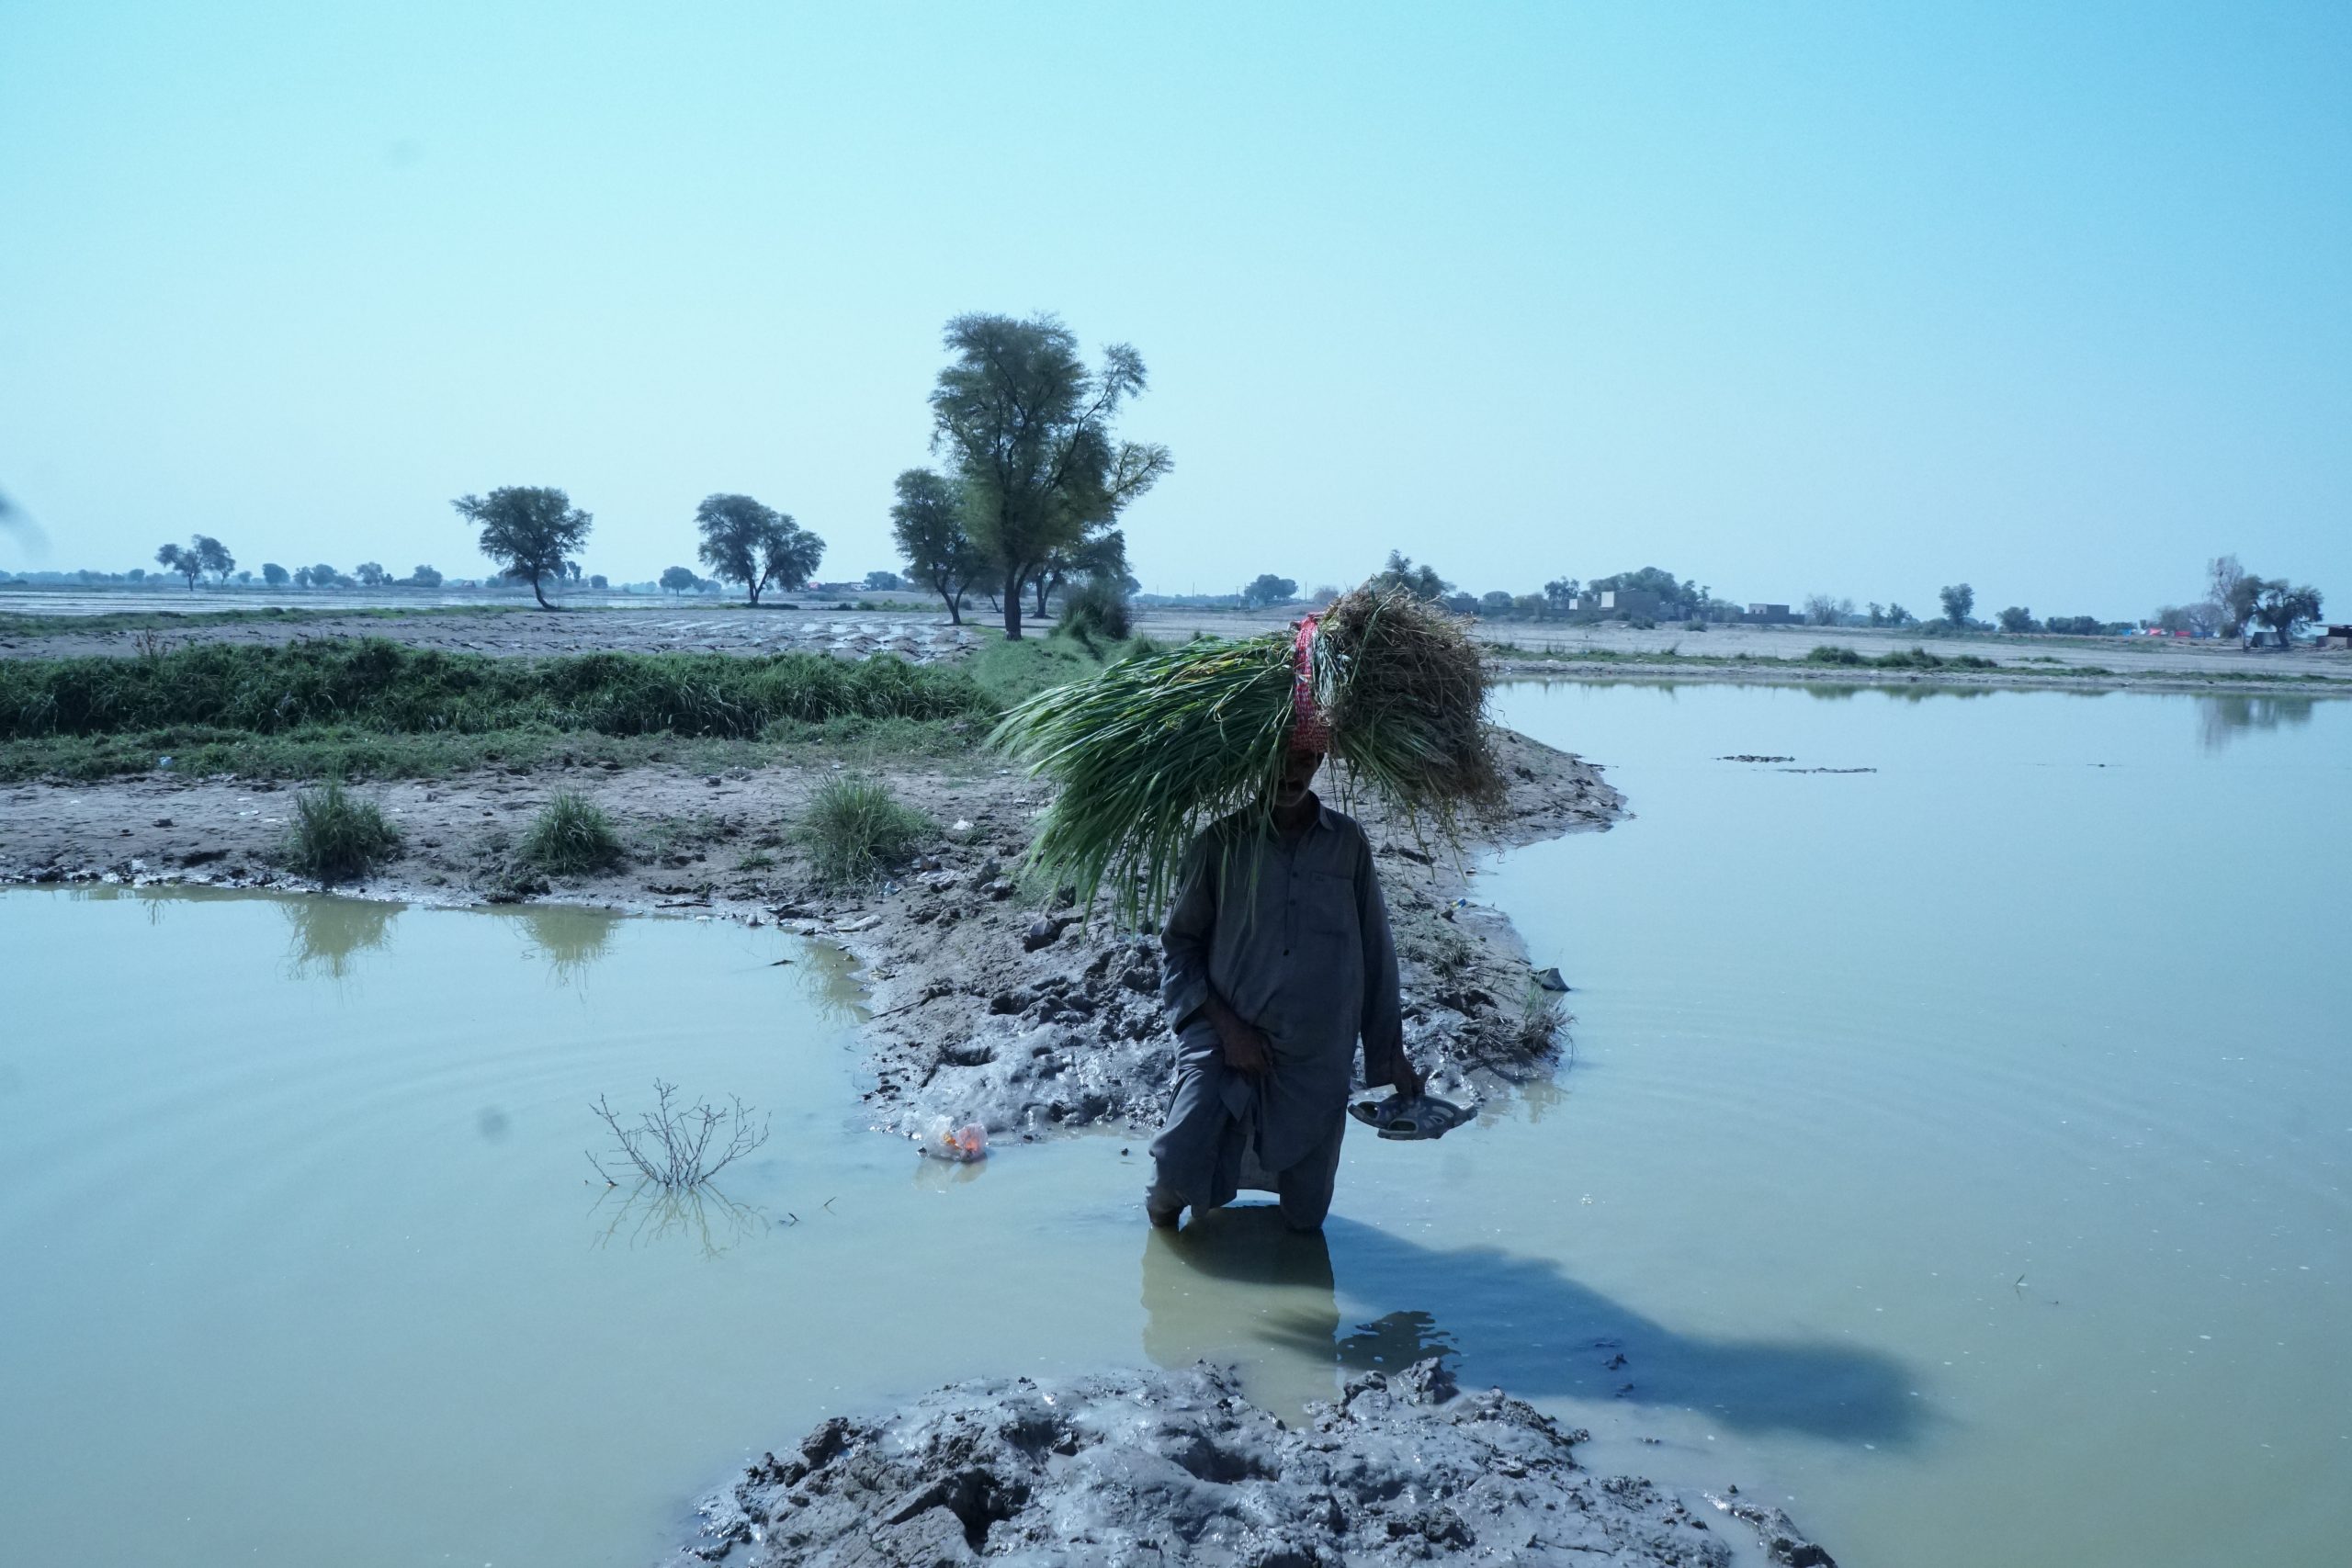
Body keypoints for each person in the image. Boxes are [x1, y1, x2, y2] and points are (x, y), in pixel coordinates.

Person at [1146, 735, 1421, 1233]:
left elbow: (1376, 952)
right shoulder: (1220, 843)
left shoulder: (1347, 844)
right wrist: (1230, 1033)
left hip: (1317, 1047)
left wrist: (1390, 1053)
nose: (1290, 774)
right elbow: (1181, 947)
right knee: (1175, 1163)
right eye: (1277, 760)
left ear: (1319, 761)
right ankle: (1164, 1228)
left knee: (1307, 1215)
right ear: (1254, 763)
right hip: (1226, 1033)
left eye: (1304, 760)